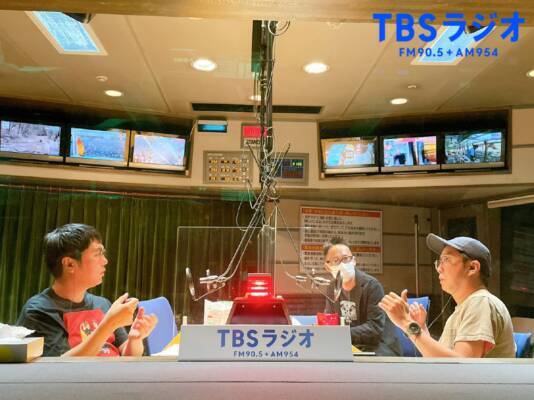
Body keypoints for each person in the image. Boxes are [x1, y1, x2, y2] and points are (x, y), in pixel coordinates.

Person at [17, 223, 158, 357]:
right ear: (70, 264)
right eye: (97, 254)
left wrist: (135, 339)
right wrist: (109, 324)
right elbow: (60, 366)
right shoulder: (39, 311)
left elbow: (127, 355)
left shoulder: (102, 303)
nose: (105, 261)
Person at [379, 234, 515, 358]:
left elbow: (462, 367)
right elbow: (442, 360)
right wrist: (420, 329)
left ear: (472, 268)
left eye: (446, 260)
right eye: (439, 262)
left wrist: (405, 323)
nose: (439, 268)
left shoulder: (480, 302)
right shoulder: (467, 305)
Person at [323, 237, 401, 356]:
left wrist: (341, 334)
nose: (342, 264)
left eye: (346, 259)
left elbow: (374, 328)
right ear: (328, 267)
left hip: (379, 346)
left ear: (353, 261)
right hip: (350, 346)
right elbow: (331, 320)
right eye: (336, 260)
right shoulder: (331, 288)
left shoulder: (372, 286)